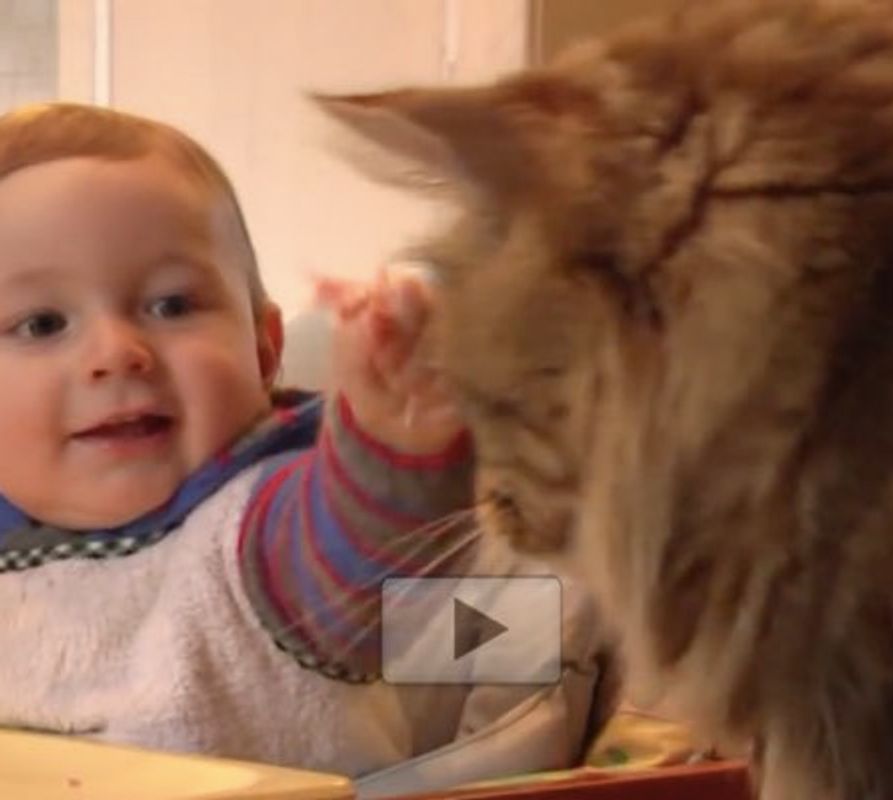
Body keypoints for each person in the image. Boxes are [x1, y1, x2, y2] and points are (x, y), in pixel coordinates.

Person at [0, 102, 599, 782]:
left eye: (171, 305)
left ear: (264, 350)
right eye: (42, 323)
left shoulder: (263, 539)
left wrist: (391, 438)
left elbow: (363, 533)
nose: (116, 353)